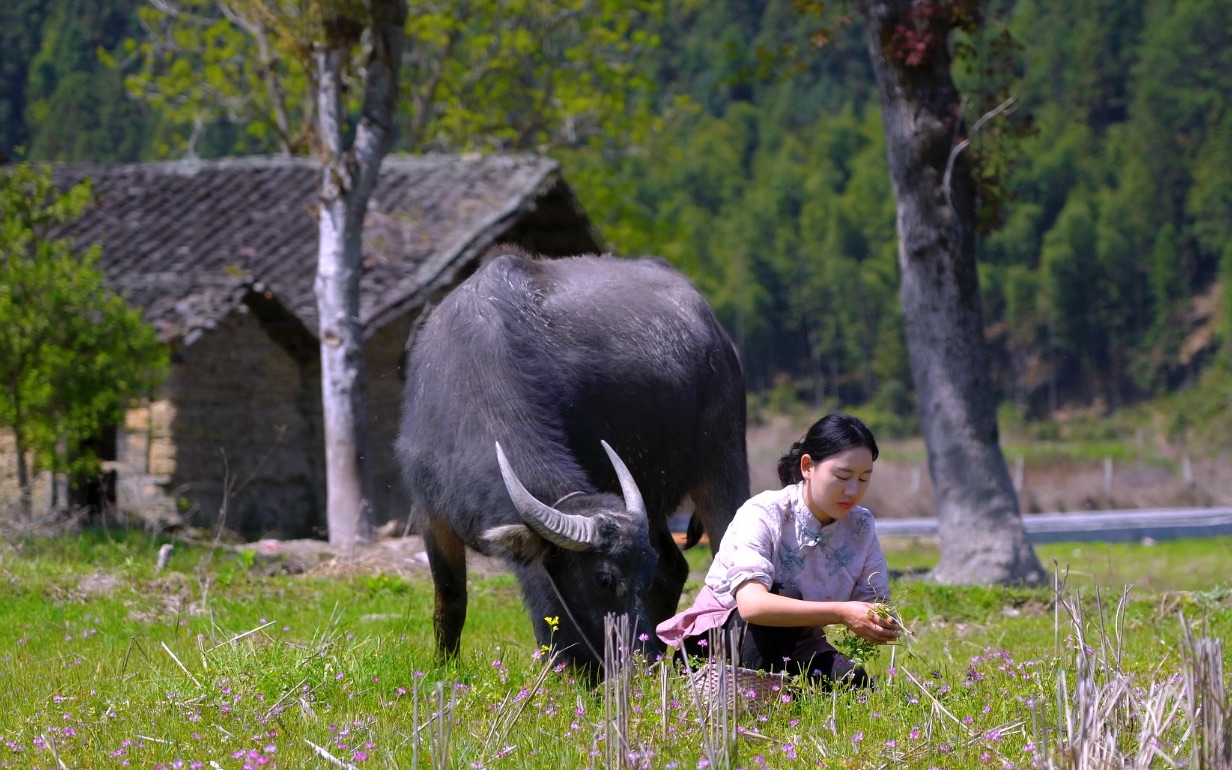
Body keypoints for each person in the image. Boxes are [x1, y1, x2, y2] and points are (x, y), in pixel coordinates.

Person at [656, 413, 899, 687]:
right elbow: (752, 606)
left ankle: (783, 696)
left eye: (864, 479)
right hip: (723, 644)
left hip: (796, 646)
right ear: (808, 466)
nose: (853, 490)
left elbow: (873, 598)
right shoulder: (764, 512)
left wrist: (879, 619)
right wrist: (842, 612)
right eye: (842, 476)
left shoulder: (861, 525)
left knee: (853, 681)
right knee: (782, 595)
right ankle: (756, 696)